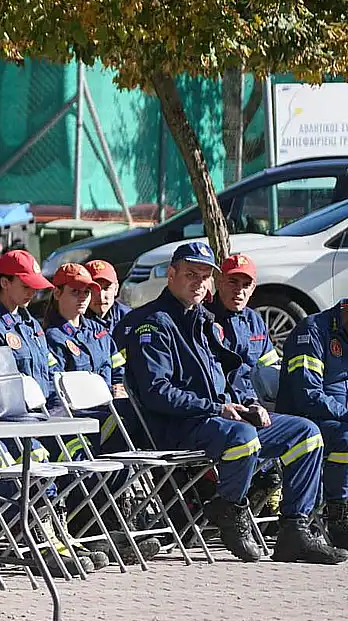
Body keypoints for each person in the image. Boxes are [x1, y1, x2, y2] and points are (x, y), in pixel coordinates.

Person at [117, 241, 342, 564]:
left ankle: (295, 529)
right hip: (178, 425)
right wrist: (218, 409)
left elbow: (233, 373)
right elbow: (157, 392)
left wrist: (251, 402)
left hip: (222, 420)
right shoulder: (153, 322)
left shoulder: (203, 319)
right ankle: (231, 510)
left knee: (306, 434)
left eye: (205, 276)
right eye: (191, 274)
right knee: (244, 439)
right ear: (171, 274)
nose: (199, 282)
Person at [279, 299, 348, 549]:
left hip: (338, 420)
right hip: (305, 420)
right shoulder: (313, 331)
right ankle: (340, 518)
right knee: (347, 438)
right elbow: (308, 396)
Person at [43, 263, 130, 452]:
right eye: (75, 292)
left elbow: (118, 369)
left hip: (108, 410)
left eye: (86, 292)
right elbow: (56, 391)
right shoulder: (51, 338)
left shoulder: (98, 332)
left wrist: (118, 386)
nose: (83, 298)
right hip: (77, 418)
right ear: (58, 294)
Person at [0, 249, 60, 411]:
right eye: (25, 286)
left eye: (34, 287)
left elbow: (50, 370)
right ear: (5, 283)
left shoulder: (32, 325)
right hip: (14, 418)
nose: (32, 293)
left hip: (46, 412)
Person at [207, 254, 280, 402]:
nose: (239, 290)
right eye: (233, 282)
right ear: (219, 282)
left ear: (253, 289)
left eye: (246, 285)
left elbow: (270, 368)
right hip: (221, 403)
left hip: (257, 400)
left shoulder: (255, 321)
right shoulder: (203, 319)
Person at [86, 259, 130, 331]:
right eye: (94, 289)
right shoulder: (75, 320)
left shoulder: (129, 318)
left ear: (116, 289)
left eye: (106, 288)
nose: (101, 296)